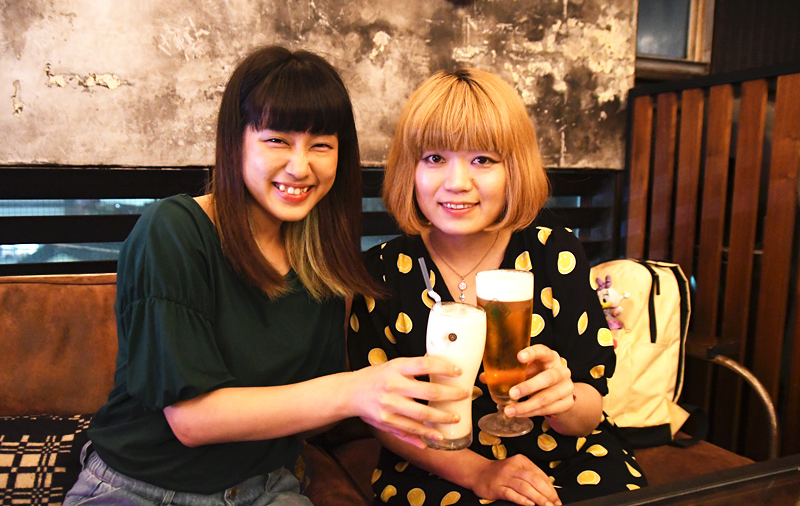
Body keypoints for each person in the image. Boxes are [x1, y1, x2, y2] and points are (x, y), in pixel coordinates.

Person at [64, 46, 469, 505]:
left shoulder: (324, 263)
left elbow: (318, 411)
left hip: (267, 489)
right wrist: (353, 391)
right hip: (142, 487)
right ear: (235, 141)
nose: (300, 167)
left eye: (321, 145)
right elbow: (193, 421)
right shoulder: (173, 231)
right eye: (277, 140)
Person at [348, 68, 648, 506]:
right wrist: (480, 473)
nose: (457, 183)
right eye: (434, 158)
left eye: (483, 160)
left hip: (568, 459)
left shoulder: (555, 252)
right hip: (439, 464)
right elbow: (383, 418)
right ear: (409, 168)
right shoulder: (380, 271)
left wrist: (562, 399)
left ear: (514, 169)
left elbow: (589, 408)